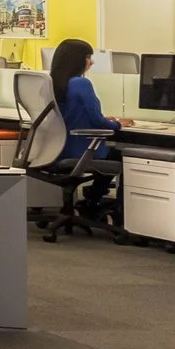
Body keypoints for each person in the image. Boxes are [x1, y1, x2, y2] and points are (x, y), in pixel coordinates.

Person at [48, 37, 127, 218]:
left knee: (111, 153)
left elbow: (71, 114)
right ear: (76, 60)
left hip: (54, 149)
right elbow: (99, 122)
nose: (91, 62)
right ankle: (99, 202)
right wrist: (117, 124)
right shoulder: (80, 83)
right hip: (79, 150)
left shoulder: (51, 82)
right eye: (88, 57)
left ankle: (93, 198)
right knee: (121, 155)